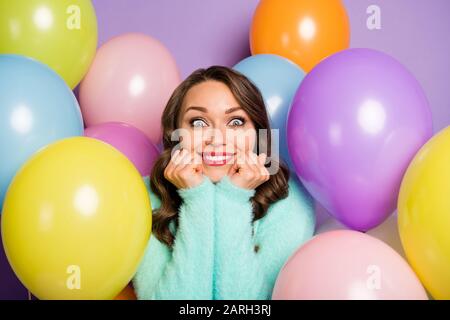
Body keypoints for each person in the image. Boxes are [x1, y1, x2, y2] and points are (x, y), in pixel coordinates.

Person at [132, 66, 315, 299]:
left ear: (258, 134)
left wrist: (233, 197)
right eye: (198, 123)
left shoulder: (291, 201)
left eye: (236, 122)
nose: (217, 139)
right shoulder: (141, 198)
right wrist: (196, 197)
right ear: (175, 136)